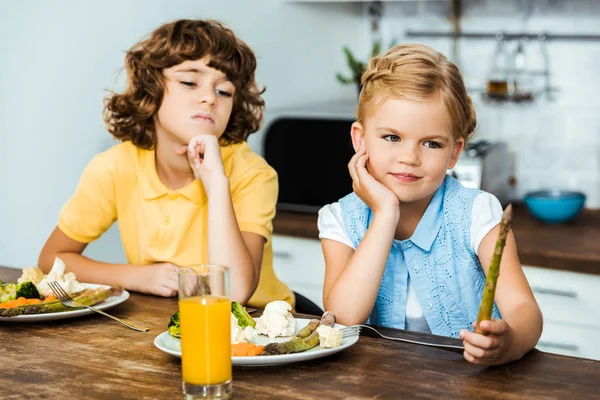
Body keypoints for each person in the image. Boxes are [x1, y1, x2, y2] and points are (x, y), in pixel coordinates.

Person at [38, 19, 294, 308]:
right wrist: (135, 276)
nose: (210, 98)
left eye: (224, 91)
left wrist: (216, 184)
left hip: (261, 329)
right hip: (166, 323)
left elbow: (234, 293)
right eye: (189, 82)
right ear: (151, 88)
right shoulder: (115, 166)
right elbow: (50, 260)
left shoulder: (252, 174)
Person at [318, 44, 542, 365]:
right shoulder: (339, 219)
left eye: (431, 143)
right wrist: (384, 214)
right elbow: (342, 318)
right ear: (360, 140)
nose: (409, 158)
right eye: (392, 137)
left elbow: (525, 309)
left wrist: (511, 342)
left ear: (454, 152)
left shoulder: (478, 213)